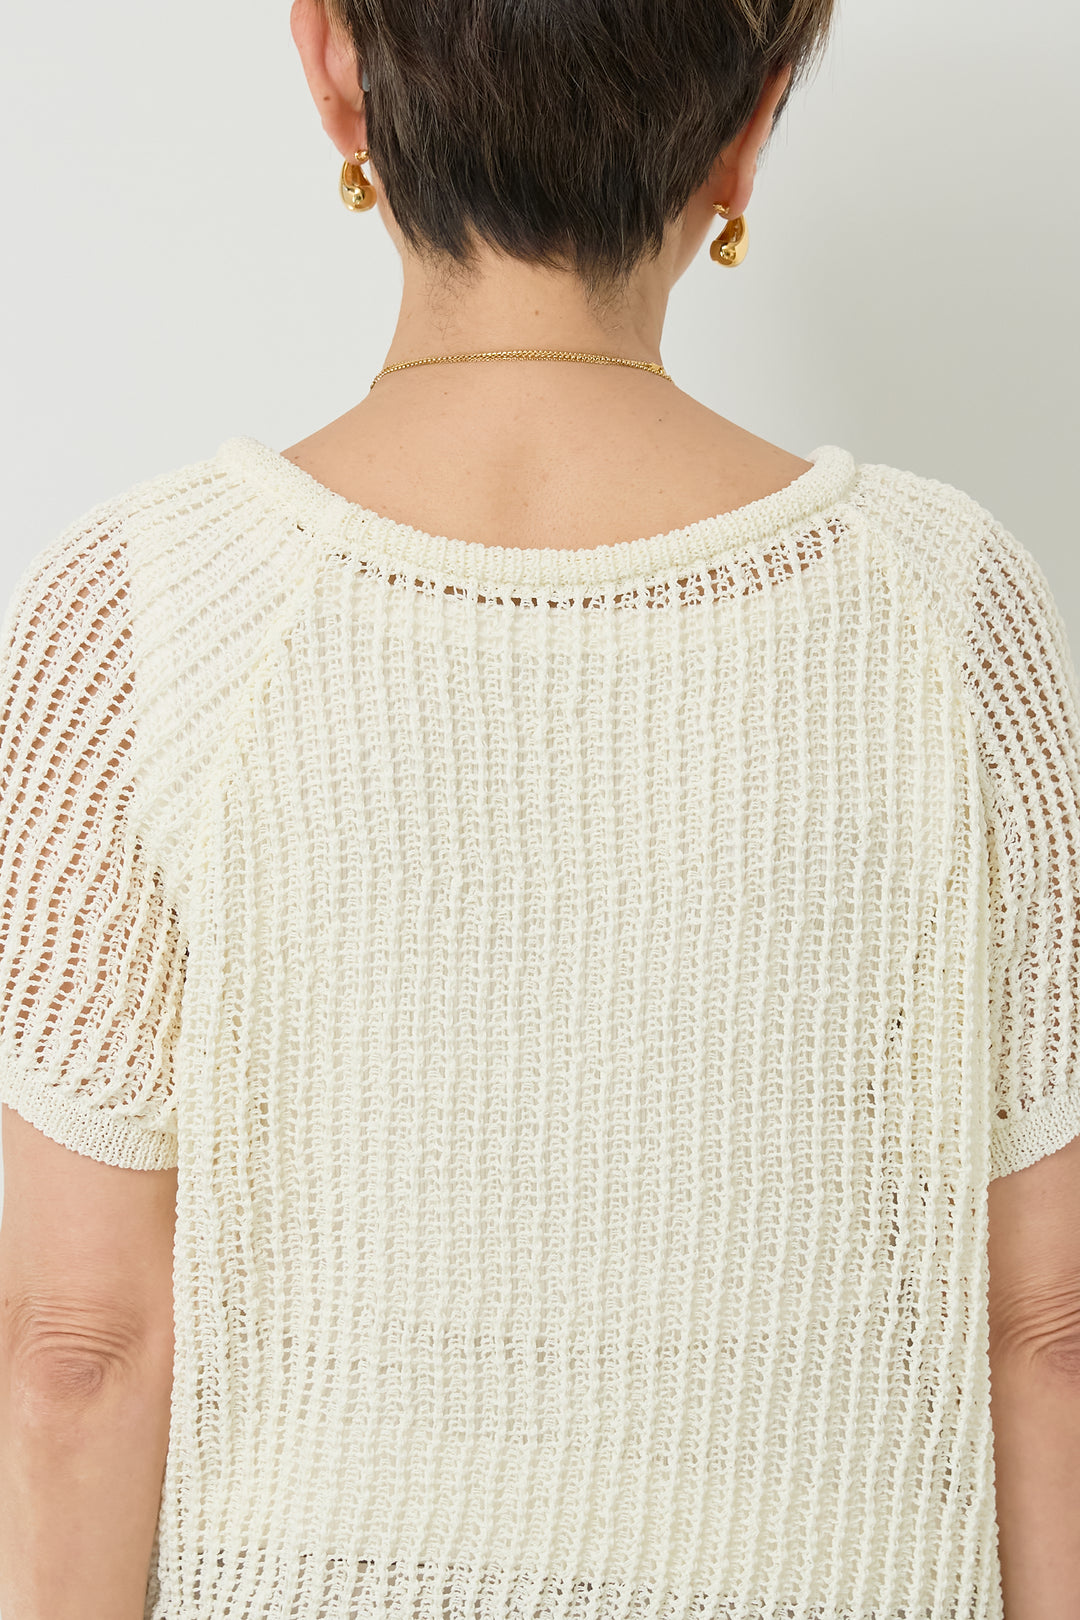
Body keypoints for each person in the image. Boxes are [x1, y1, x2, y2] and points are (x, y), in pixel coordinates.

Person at [0, 0, 1078, 1615]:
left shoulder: (142, 610)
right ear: (748, 132)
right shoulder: (947, 605)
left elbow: (75, 1345)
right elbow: (1047, 1329)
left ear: (333, 66)